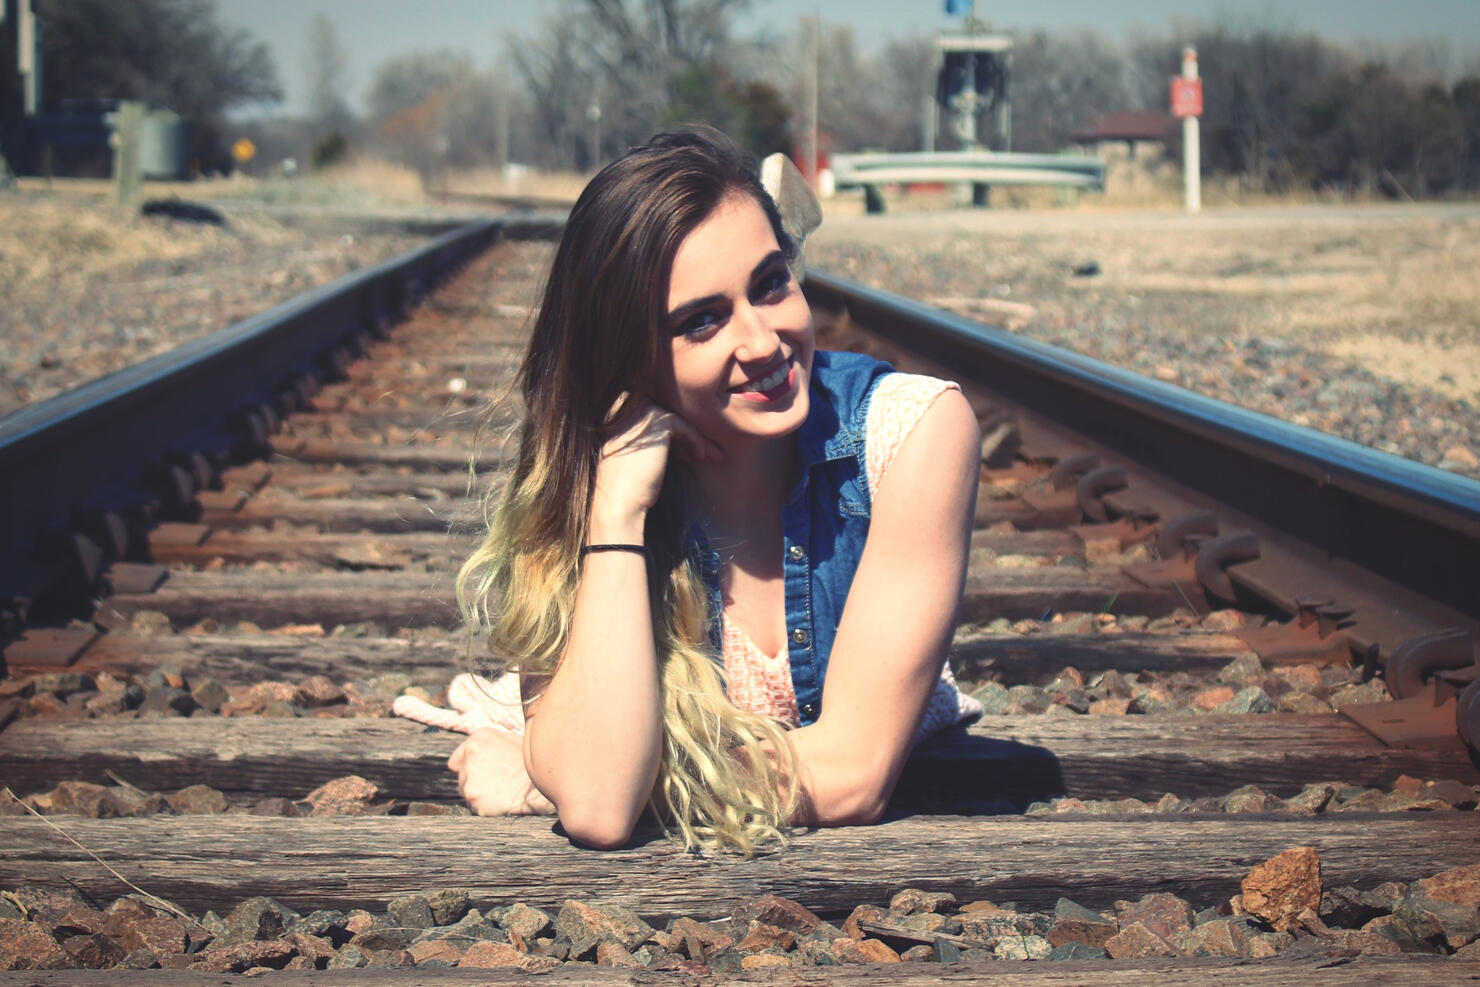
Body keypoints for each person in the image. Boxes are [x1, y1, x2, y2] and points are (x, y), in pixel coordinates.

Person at [396, 128, 982, 854]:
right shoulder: (595, 466)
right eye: (701, 321)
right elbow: (601, 807)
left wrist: (542, 775)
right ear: (629, 358)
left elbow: (855, 771)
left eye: (770, 284)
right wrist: (615, 509)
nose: (763, 342)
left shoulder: (911, 433)